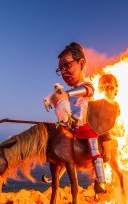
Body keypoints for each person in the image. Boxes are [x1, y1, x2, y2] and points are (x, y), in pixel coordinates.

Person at [50, 42, 107, 193]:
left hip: (85, 127)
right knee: (61, 148)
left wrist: (67, 94)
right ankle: (54, 177)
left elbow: (87, 90)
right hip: (71, 127)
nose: (63, 72)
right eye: (60, 69)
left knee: (94, 149)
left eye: (67, 66)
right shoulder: (68, 92)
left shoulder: (85, 85)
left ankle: (101, 180)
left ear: (81, 63)